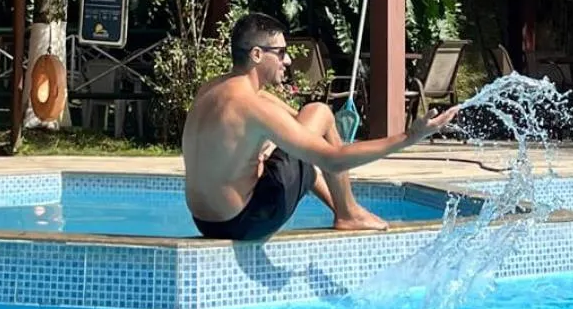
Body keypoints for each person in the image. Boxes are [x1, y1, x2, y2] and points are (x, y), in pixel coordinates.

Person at [183, 12, 460, 241]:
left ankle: (346, 210)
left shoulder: (213, 90)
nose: (287, 61)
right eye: (280, 53)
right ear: (257, 54)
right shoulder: (253, 107)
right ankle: (348, 212)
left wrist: (288, 141)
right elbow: (332, 159)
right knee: (322, 112)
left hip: (205, 223)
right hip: (245, 222)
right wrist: (409, 136)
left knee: (303, 140)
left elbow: (296, 129)